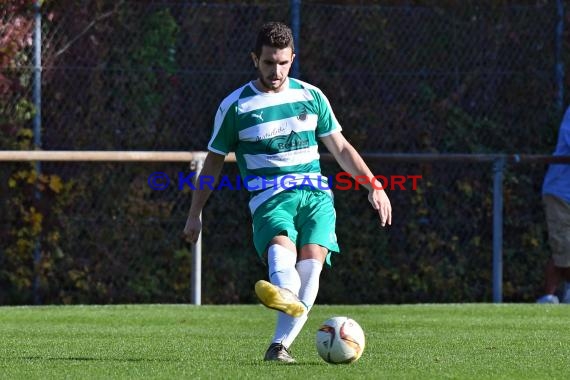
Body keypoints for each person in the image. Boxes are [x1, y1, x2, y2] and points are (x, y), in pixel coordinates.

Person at [183, 21, 392, 362]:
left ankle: (279, 345)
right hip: (269, 197)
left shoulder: (311, 96)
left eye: (282, 62)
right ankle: (285, 293)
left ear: (292, 58)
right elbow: (213, 165)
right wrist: (195, 213)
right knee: (282, 252)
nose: (276, 71)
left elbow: (340, 148)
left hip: (315, 195)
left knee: (312, 266)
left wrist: (374, 185)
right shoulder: (235, 106)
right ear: (255, 59)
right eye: (268, 63)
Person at [537, 106, 570, 304]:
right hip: (561, 193)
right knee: (564, 249)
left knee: (562, 250)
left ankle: (549, 297)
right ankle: (548, 299)